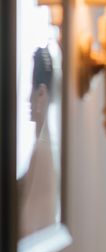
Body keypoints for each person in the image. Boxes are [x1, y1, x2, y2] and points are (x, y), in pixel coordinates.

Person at [18, 46, 57, 238]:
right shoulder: (46, 147)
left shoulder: (42, 151)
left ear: (41, 93)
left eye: (30, 89)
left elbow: (28, 226)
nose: (28, 98)